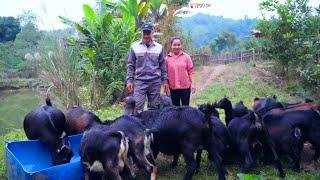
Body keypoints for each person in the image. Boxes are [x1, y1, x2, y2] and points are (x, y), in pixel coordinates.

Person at [126, 23, 170, 113]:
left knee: (154, 108)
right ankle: (138, 126)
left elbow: (163, 66)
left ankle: (151, 127)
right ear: (141, 33)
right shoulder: (134, 47)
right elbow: (131, 65)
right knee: (137, 107)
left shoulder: (159, 48)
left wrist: (165, 82)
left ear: (152, 33)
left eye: (148, 33)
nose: (146, 35)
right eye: (144, 33)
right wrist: (129, 80)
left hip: (155, 82)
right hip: (140, 82)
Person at [165, 36, 195, 106]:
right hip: (173, 88)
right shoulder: (167, 59)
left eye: (178, 45)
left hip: (185, 88)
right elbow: (165, 74)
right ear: (171, 45)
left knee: (186, 109)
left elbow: (191, 71)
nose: (176, 47)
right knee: (175, 109)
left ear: (181, 45)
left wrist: (193, 84)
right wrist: (166, 85)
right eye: (174, 45)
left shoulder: (186, 57)